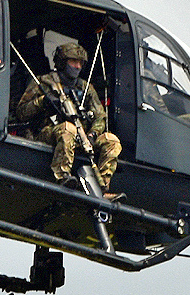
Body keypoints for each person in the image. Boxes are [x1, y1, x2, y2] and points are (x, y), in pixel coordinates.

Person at [15, 41, 123, 195]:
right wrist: (42, 102)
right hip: (50, 133)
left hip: (83, 137)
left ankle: (102, 188)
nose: (77, 67)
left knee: (111, 140)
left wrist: (92, 135)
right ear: (62, 63)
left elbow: (100, 116)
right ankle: (63, 176)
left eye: (80, 63)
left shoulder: (86, 88)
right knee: (68, 128)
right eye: (73, 62)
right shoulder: (44, 82)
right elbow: (21, 112)